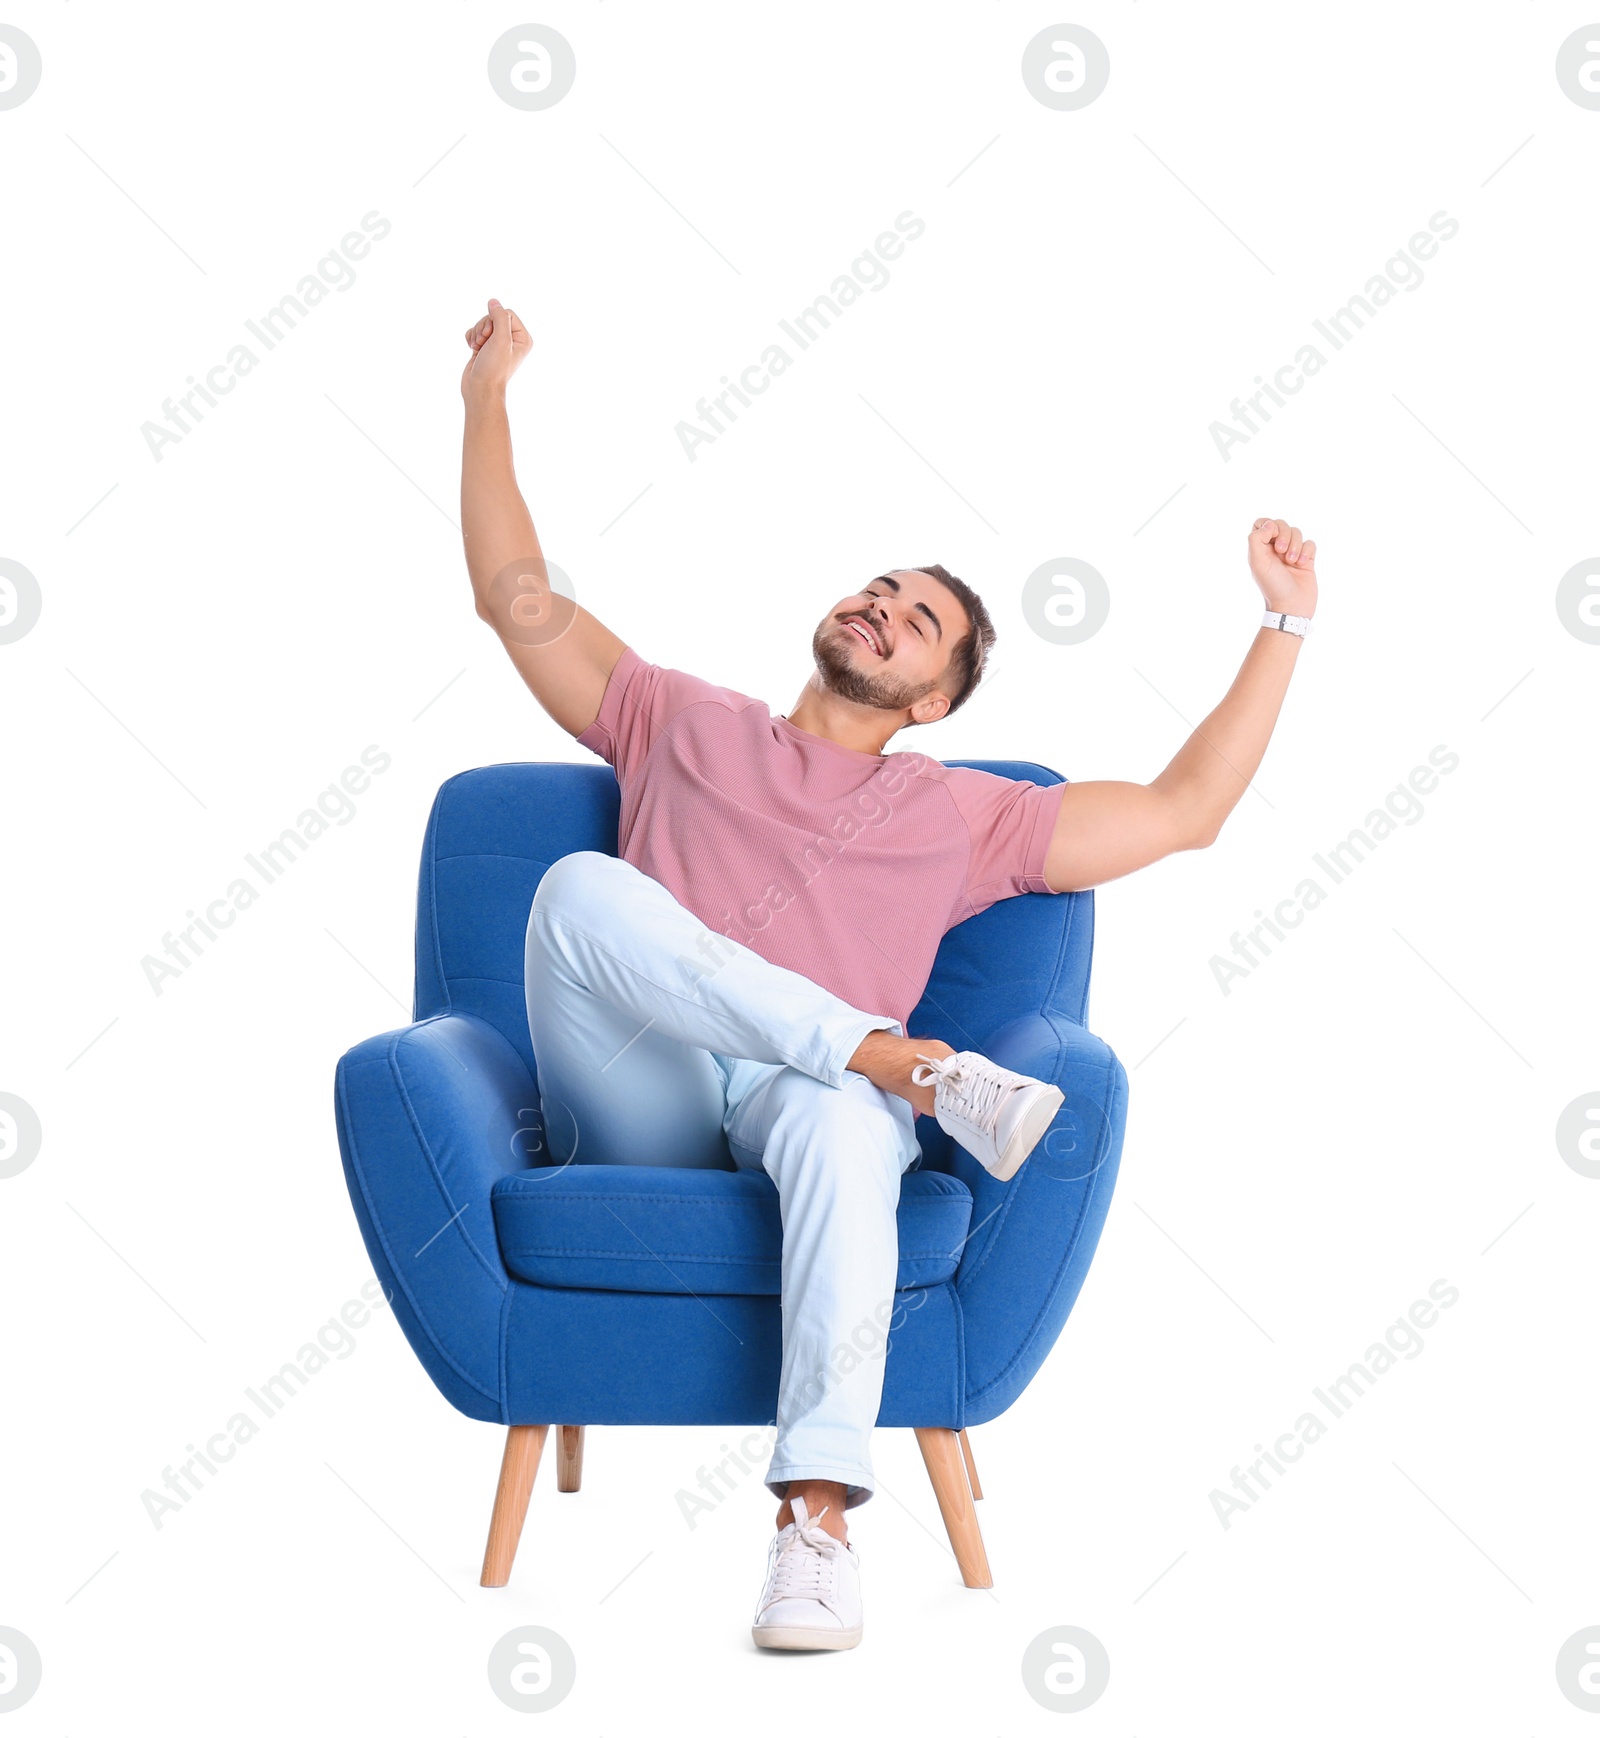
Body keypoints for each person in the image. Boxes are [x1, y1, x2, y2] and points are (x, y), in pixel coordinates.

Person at [458, 298, 1318, 1652]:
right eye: (880, 589)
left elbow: (1183, 807)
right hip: (648, 1093)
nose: (884, 608)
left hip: (808, 1105)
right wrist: (489, 394)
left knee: (848, 1127)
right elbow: (513, 593)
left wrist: (1284, 626)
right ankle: (893, 1057)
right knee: (579, 892)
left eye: (918, 621)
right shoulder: (675, 713)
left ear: (932, 697)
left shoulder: (962, 813)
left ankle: (815, 1529)